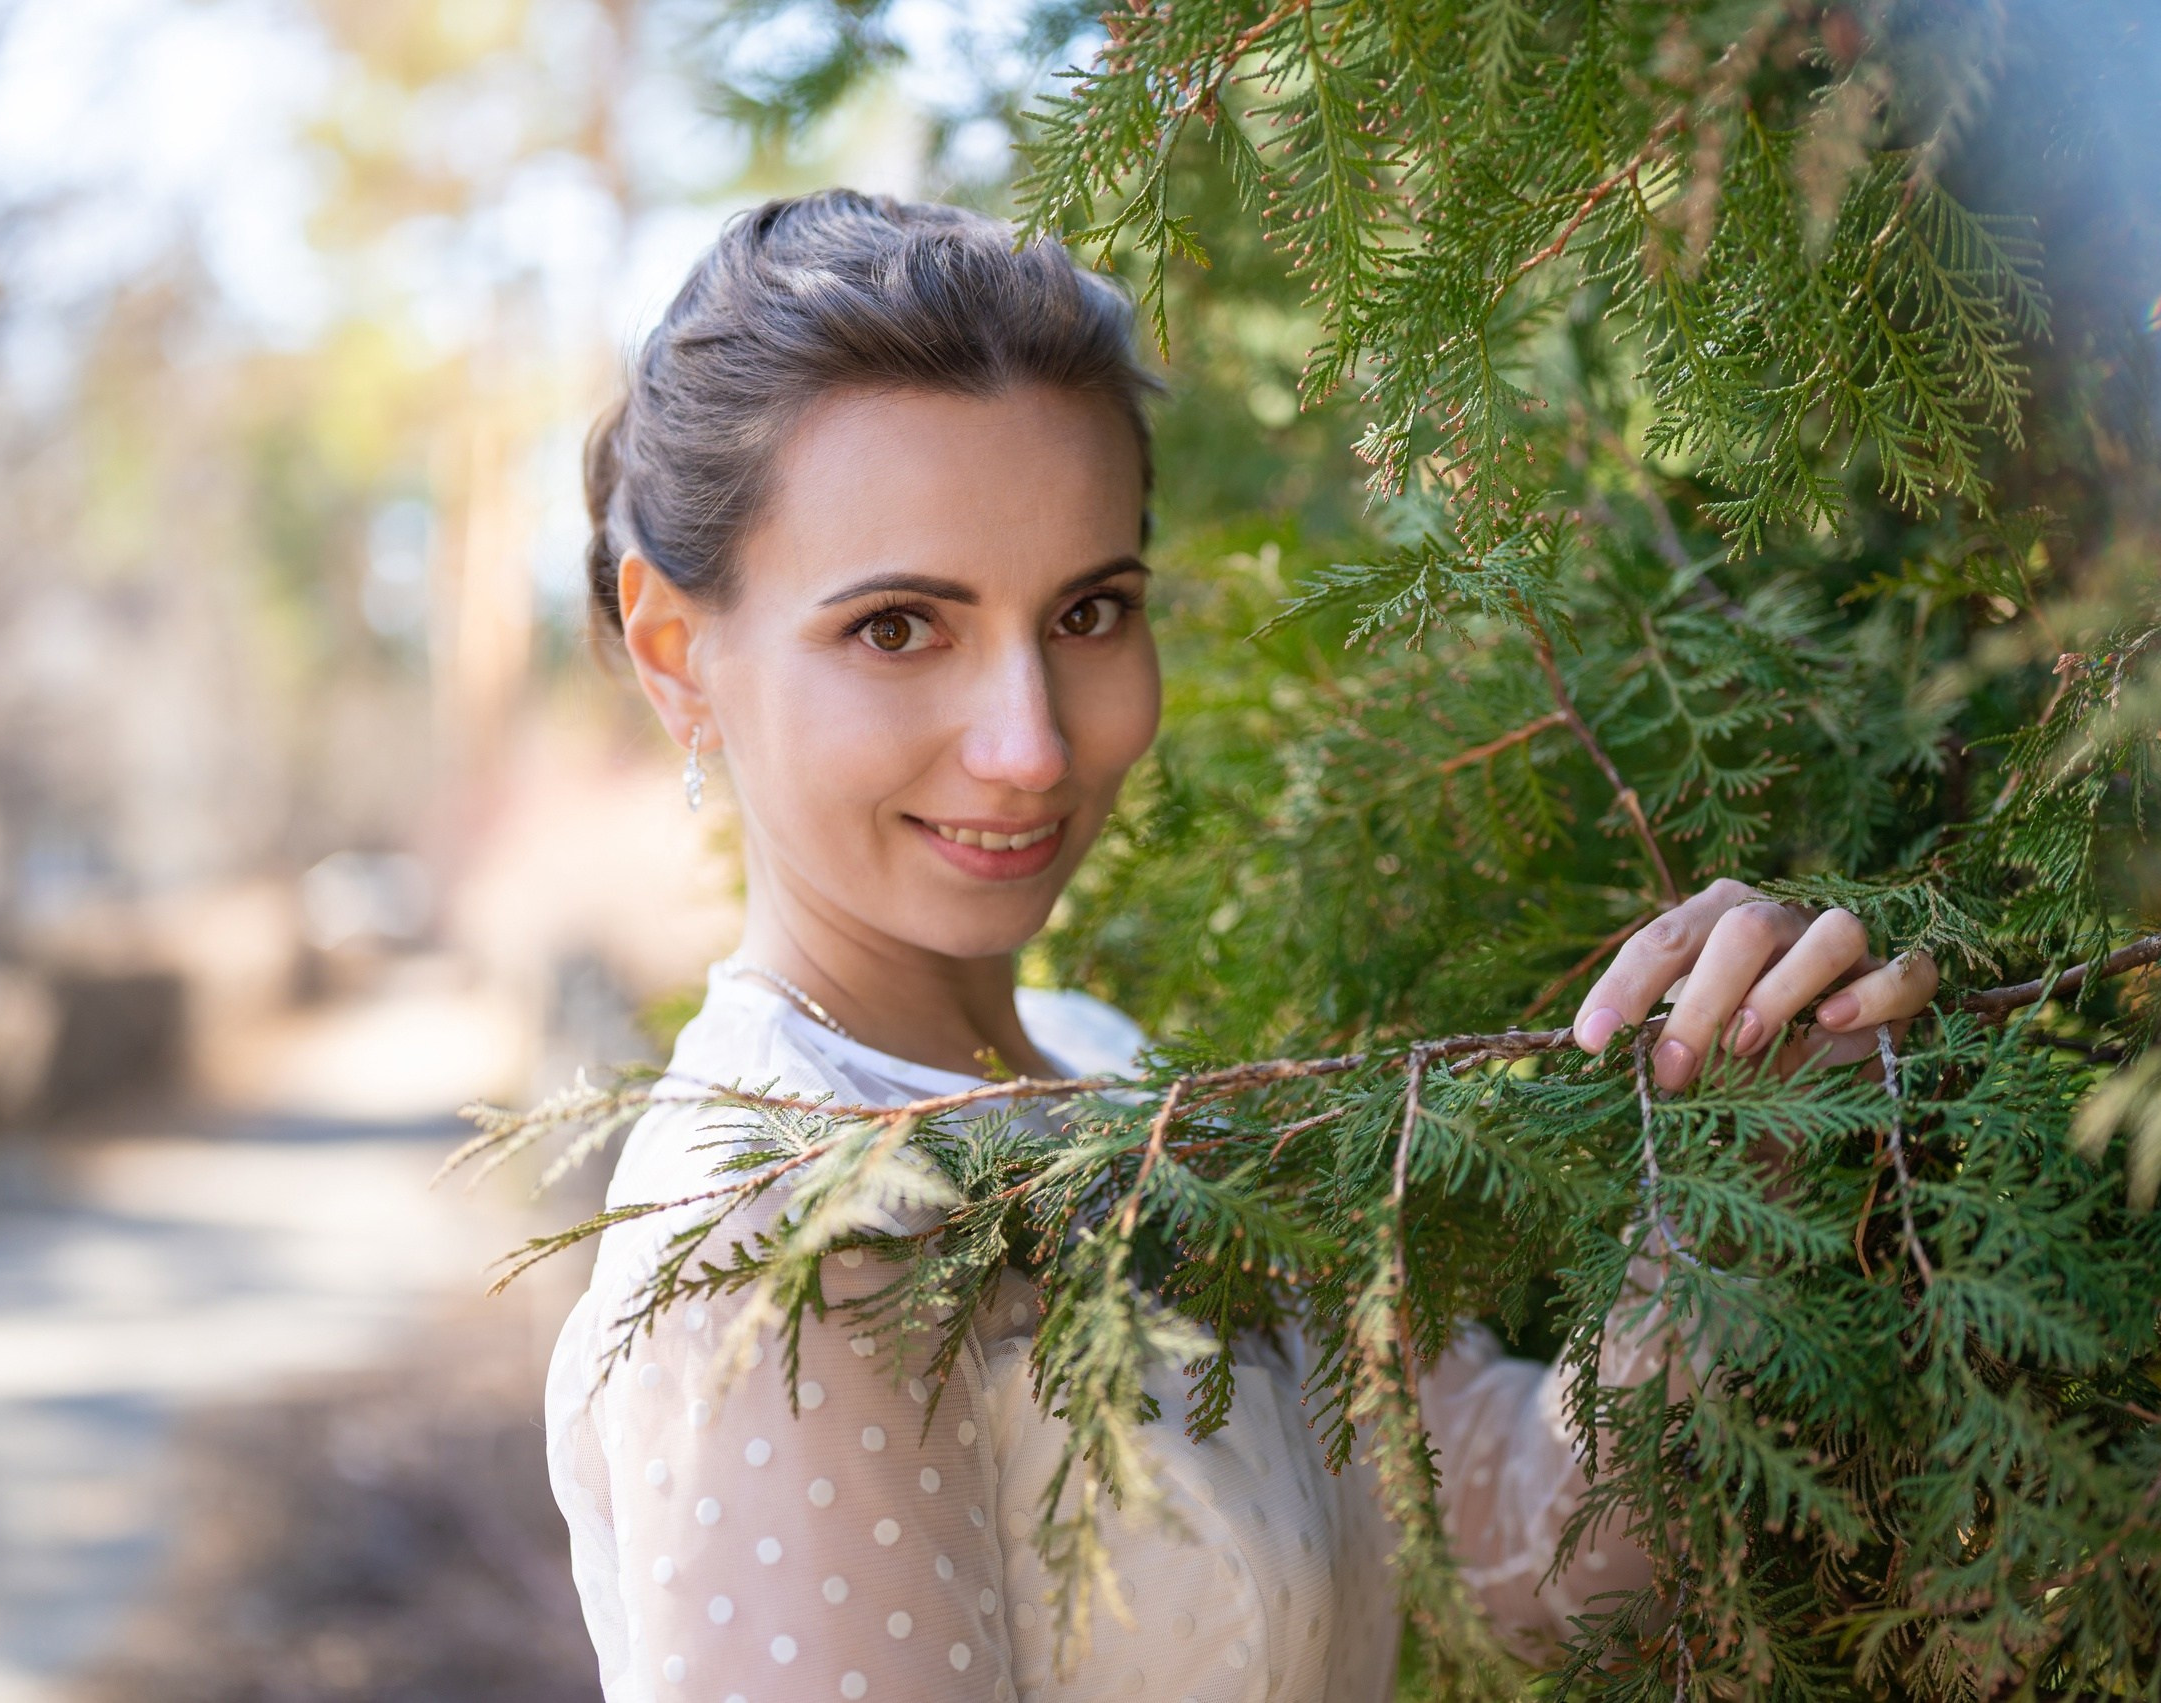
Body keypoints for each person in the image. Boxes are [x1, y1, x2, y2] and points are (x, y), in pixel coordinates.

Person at [547, 190, 1940, 1703]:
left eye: (1089, 611)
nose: (1028, 747)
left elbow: (1529, 1551)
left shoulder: (1115, 1075)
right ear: (681, 657)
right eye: (898, 627)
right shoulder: (781, 1239)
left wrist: (1739, 1145)